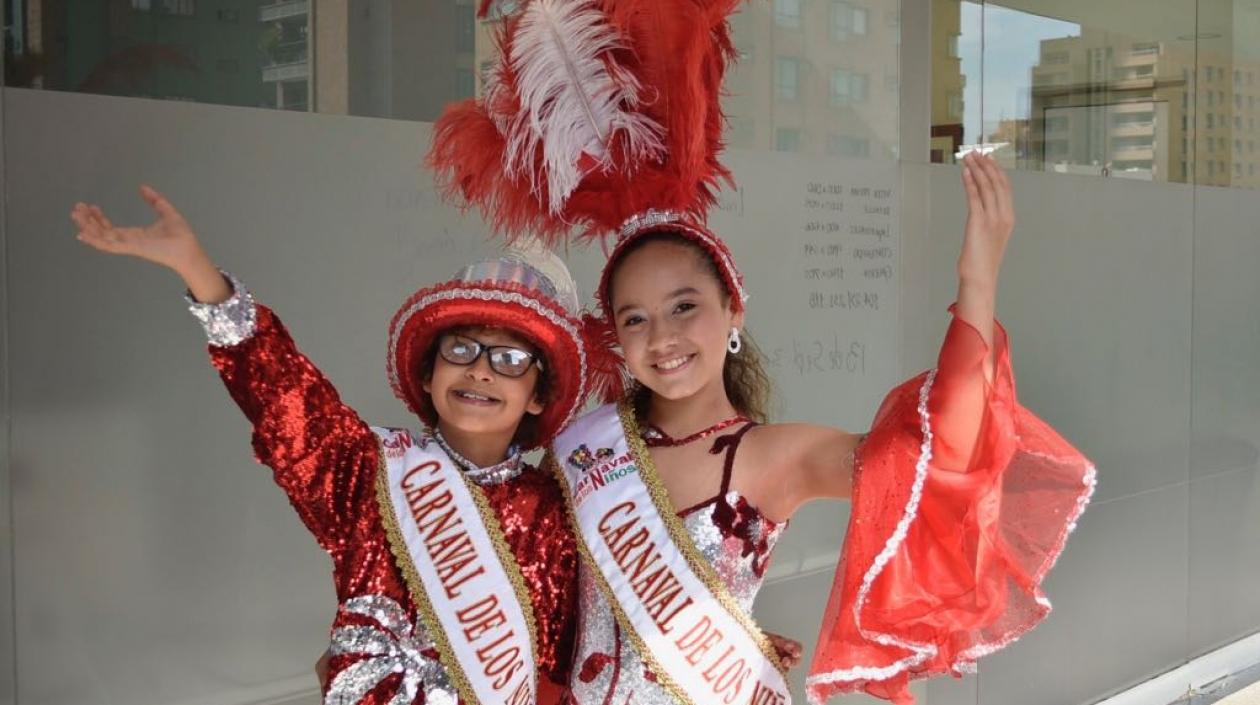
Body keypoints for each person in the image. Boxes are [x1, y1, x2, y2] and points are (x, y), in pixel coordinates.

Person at [427, 1, 1096, 702]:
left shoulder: (779, 456)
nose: (663, 338)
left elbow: (939, 458)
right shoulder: (586, 448)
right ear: (616, 340)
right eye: (636, 319)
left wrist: (977, 282)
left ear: (732, 309)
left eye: (685, 308)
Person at [70, 188, 594, 705]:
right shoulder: (367, 470)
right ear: (429, 372)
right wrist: (198, 271)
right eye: (461, 349)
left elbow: (575, 659)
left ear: (536, 395)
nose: (480, 369)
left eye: (509, 359)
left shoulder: (557, 508)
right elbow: (283, 395)